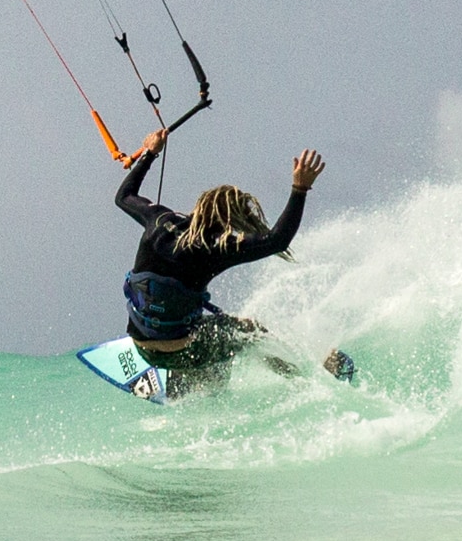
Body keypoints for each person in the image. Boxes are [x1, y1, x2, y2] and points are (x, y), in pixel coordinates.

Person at [116, 129, 345, 394]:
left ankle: (186, 382)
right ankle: (304, 380)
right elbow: (277, 240)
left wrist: (150, 153)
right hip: (185, 351)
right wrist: (299, 189)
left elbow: (123, 197)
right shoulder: (216, 250)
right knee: (249, 332)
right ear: (228, 223)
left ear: (200, 206)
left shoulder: (158, 221)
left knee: (201, 326)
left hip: (142, 347)